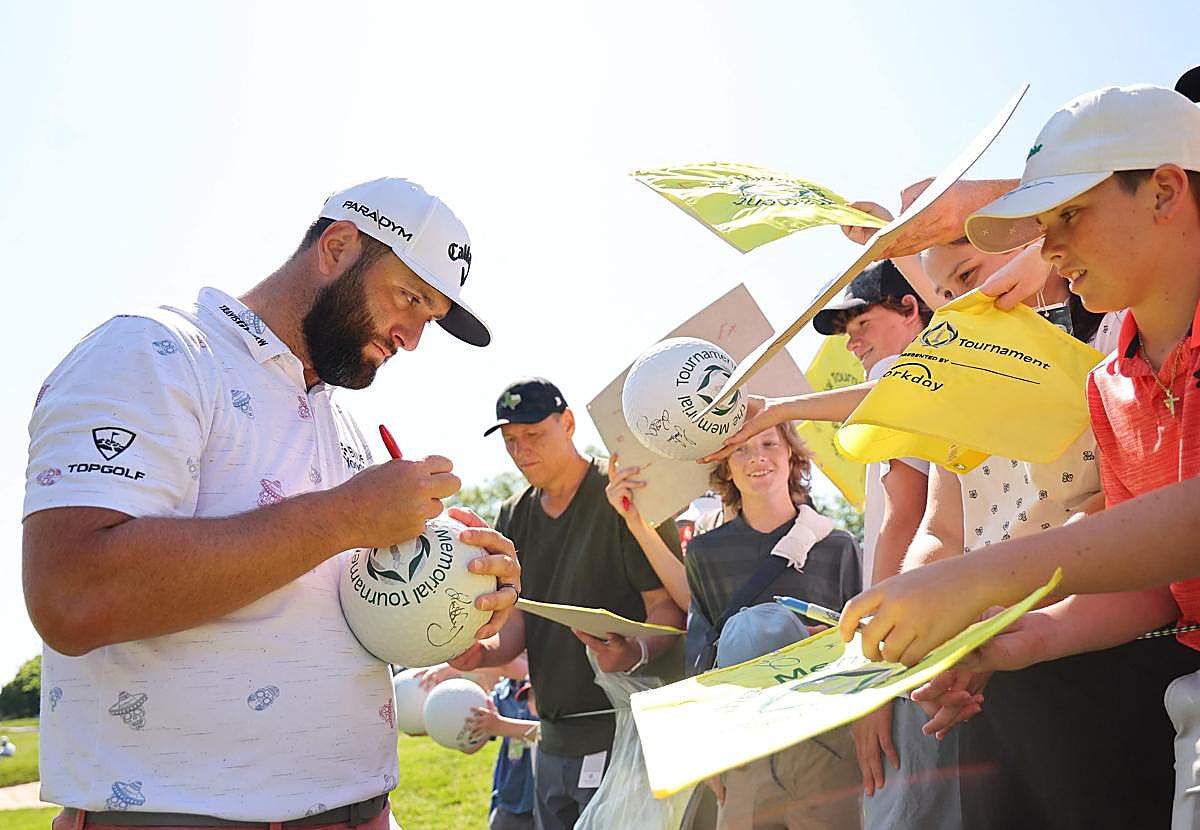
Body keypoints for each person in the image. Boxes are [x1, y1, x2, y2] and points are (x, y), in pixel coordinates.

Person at [22, 177, 521, 829]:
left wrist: (458, 588)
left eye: (429, 318)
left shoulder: (340, 422)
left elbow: (325, 606)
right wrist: (346, 516)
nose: (412, 339)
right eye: (409, 298)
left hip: (361, 811)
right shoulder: (153, 352)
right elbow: (71, 595)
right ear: (337, 247)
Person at [841, 84, 1200, 825]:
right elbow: (1157, 583)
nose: (1050, 248)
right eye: (1042, 224)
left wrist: (979, 580)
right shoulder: (1110, 384)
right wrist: (1022, 638)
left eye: (1068, 215)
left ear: (1165, 191)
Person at [456, 377, 686, 830]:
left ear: (568, 424)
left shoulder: (621, 492)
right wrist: (481, 652)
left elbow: (670, 608)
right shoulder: (513, 513)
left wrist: (634, 652)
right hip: (552, 738)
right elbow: (517, 621)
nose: (521, 451)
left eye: (533, 434)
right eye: (510, 441)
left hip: (626, 733)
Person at [685, 422, 862, 829]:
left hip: (825, 738)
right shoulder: (704, 552)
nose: (758, 457)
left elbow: (862, 645)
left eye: (769, 443)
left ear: (792, 455)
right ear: (726, 467)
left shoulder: (838, 546)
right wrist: (704, 746)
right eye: (741, 449)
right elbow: (699, 654)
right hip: (740, 743)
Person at [464, 662, 539, 830]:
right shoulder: (502, 693)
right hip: (510, 797)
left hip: (547, 798)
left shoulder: (545, 684)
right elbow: (470, 747)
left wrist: (502, 726)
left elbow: (555, 733)